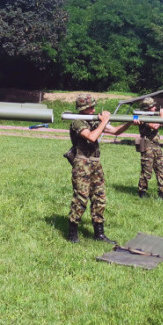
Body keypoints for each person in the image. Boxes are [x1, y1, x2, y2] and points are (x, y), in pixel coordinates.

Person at [66, 94, 132, 243]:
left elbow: (115, 131)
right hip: (82, 164)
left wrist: (130, 123)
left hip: (95, 163)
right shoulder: (77, 122)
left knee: (100, 197)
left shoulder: (95, 121)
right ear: (83, 109)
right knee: (81, 198)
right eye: (90, 107)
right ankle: (72, 232)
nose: (94, 109)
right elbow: (91, 137)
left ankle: (99, 233)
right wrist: (103, 121)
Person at [133, 97, 163, 200]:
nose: (155, 107)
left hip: (157, 147)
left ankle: (162, 192)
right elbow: (154, 126)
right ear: (147, 108)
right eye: (152, 106)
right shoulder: (143, 116)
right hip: (147, 147)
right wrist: (162, 116)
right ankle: (142, 191)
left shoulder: (155, 116)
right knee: (146, 171)